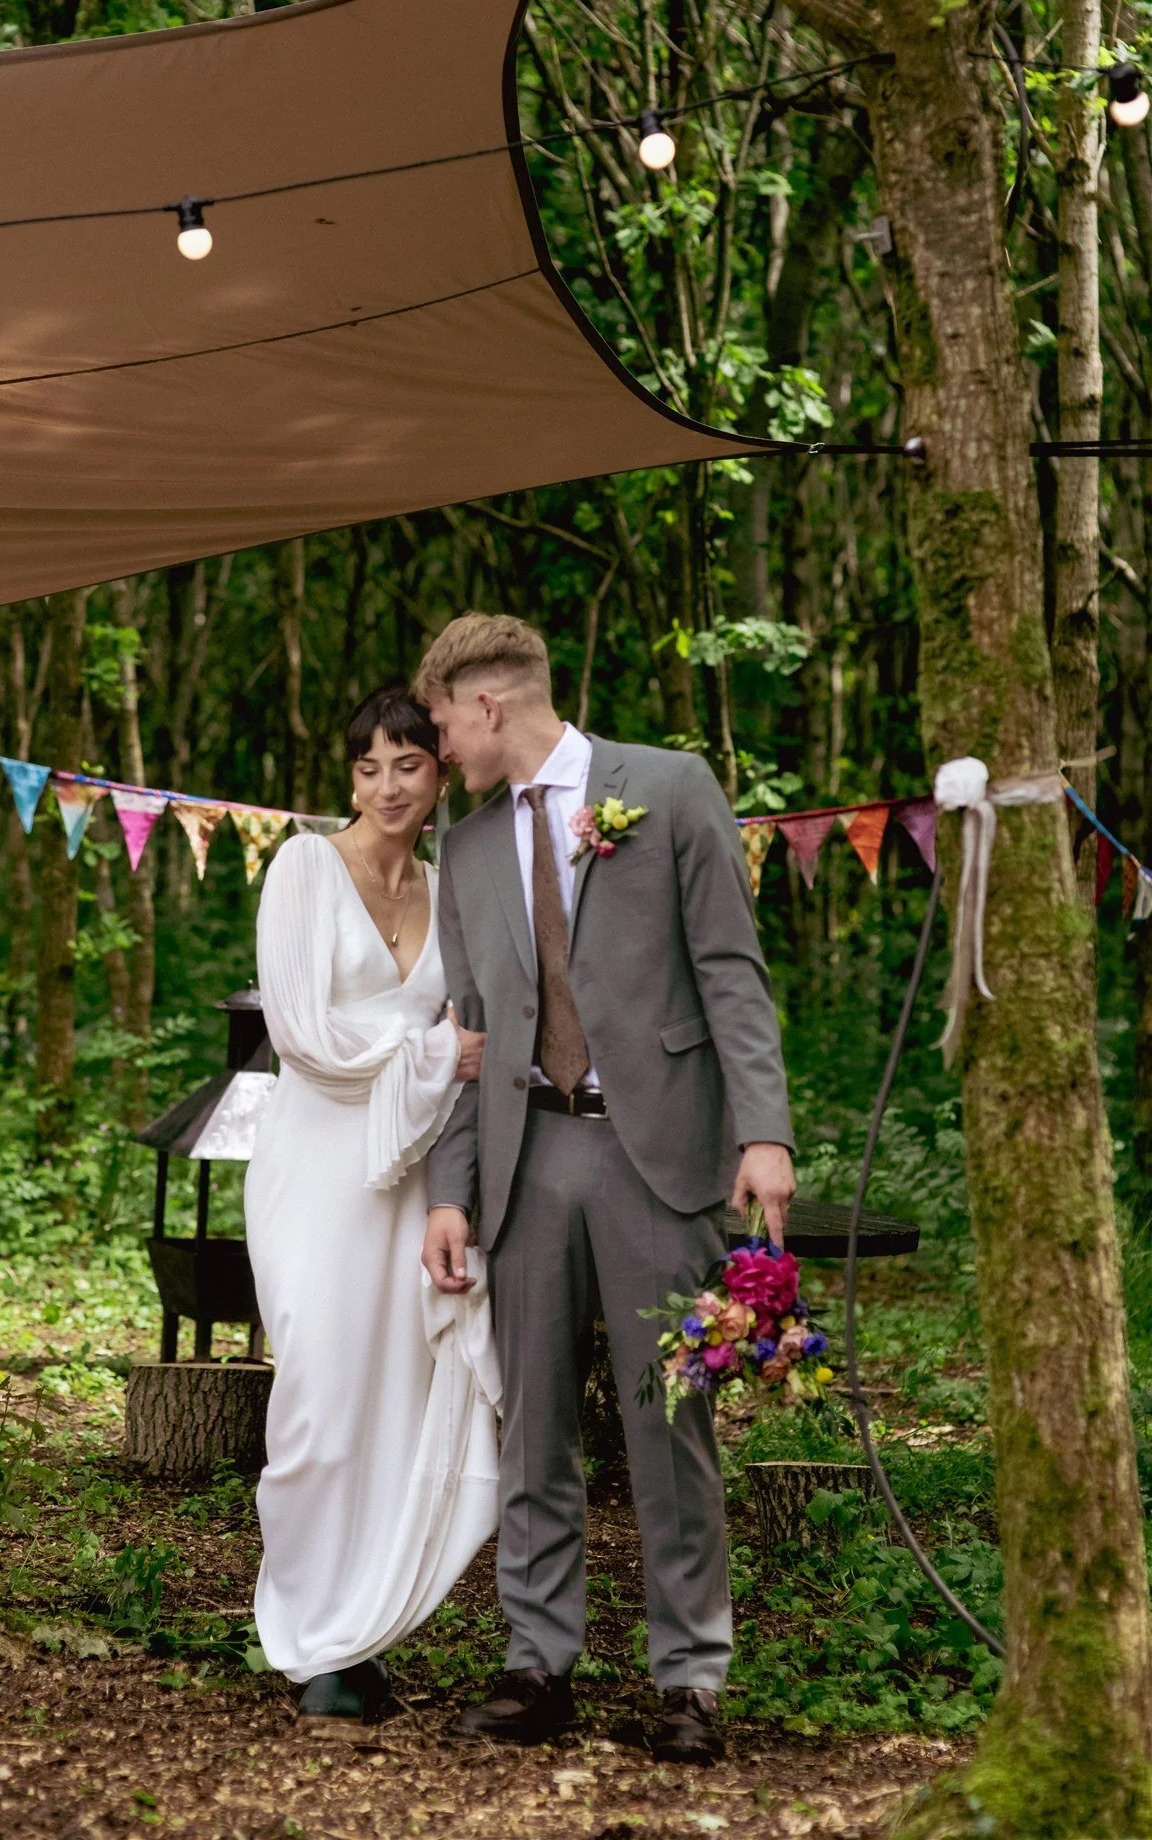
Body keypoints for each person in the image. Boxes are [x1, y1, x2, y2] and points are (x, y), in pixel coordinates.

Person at [415, 614, 796, 1765]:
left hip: (658, 1153)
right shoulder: (470, 848)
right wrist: (450, 1189)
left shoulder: (671, 788)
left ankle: (691, 1677)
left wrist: (763, 1131)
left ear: (489, 704)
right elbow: (468, 1029)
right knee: (530, 1423)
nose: (435, 751)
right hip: (528, 1153)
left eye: (439, 724)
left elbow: (731, 969)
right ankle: (538, 1661)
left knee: (667, 1422)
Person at [245, 683, 499, 1723]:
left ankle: (361, 1630)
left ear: (440, 773)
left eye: (408, 764)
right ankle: (305, 1634)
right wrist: (436, 1051)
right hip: (318, 1165)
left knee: (394, 1397)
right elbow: (303, 1031)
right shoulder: (305, 866)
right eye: (368, 766)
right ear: (349, 776)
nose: (388, 785)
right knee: (317, 1393)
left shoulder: (451, 889)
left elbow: (482, 1020)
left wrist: (453, 1066)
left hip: (414, 1178)